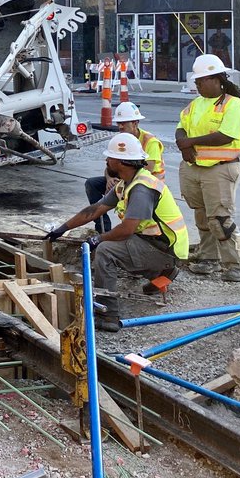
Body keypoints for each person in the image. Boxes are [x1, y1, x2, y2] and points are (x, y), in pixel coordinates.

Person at [47, 132, 189, 331]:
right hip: (154, 243)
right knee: (111, 244)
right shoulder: (127, 183)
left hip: (163, 249)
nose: (106, 160)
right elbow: (95, 209)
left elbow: (127, 229)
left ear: (121, 162)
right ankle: (160, 272)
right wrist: (62, 229)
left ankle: (109, 316)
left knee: (106, 250)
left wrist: (98, 239)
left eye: (110, 157)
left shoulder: (141, 188)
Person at [175, 53, 240, 282]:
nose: (197, 85)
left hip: (220, 168)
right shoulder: (195, 104)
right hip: (194, 166)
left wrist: (190, 142)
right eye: (196, 82)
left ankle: (233, 264)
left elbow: (226, 136)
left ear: (216, 79)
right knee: (202, 215)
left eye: (201, 81)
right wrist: (184, 144)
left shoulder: (232, 104)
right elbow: (181, 127)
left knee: (219, 219)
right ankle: (209, 258)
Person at [84, 102, 164, 233]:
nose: (120, 126)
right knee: (92, 184)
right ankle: (102, 228)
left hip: (147, 185)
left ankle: (130, 230)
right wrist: (110, 178)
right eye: (118, 123)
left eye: (124, 123)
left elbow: (147, 170)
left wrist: (121, 182)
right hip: (125, 180)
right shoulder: (120, 140)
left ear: (135, 123)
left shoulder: (150, 141)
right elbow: (109, 165)